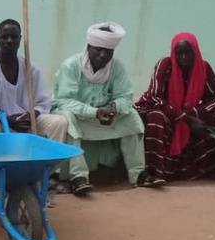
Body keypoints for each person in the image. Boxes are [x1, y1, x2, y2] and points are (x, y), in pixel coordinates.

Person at [52, 23, 165, 195]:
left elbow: (125, 96)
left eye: (108, 51)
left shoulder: (116, 67)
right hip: (77, 116)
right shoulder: (71, 66)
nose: (103, 55)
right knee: (66, 119)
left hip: (103, 117)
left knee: (131, 117)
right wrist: (95, 112)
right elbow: (65, 100)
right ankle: (78, 178)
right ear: (89, 47)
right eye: (98, 49)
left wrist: (113, 108)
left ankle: (138, 174)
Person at [134, 32, 215, 184]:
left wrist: (195, 113)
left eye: (188, 52)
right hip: (166, 113)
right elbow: (156, 98)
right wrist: (186, 118)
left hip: (190, 112)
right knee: (156, 117)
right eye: (179, 53)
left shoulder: (203, 68)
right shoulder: (164, 66)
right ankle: (158, 173)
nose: (184, 57)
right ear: (173, 54)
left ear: (195, 51)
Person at [0, 19, 68, 141]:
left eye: (14, 37)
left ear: (20, 39)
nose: (9, 41)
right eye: (5, 37)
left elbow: (42, 102)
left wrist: (31, 115)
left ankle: (50, 160)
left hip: (25, 122)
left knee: (58, 122)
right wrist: (7, 120)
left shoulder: (31, 69)